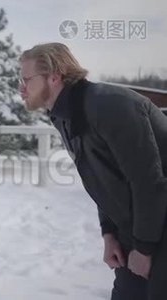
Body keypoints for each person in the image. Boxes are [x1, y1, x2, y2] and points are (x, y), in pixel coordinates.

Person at [18, 42, 167, 299]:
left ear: (54, 77)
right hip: (140, 229)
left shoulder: (110, 106)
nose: (21, 87)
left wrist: (143, 249)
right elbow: (101, 180)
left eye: (26, 79)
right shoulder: (66, 115)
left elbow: (148, 182)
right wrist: (109, 232)